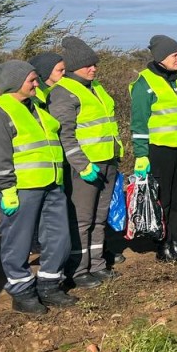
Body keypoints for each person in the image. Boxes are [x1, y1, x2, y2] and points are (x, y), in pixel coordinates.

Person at [0, 60, 76, 314]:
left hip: (52, 184)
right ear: (15, 83)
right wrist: (6, 189)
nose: (36, 83)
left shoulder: (37, 106)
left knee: (58, 236)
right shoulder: (0, 111)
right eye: (31, 80)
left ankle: (50, 285)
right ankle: (21, 291)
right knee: (17, 241)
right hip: (21, 189)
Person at [49, 36, 123, 289]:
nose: (93, 69)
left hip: (107, 162)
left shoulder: (96, 87)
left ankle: (97, 264)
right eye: (87, 65)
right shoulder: (63, 93)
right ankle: (78, 270)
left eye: (94, 64)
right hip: (85, 168)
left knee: (100, 218)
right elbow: (64, 135)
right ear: (71, 68)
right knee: (81, 220)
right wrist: (82, 165)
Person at [131, 35, 177, 262]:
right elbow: (139, 123)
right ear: (161, 58)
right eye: (175, 55)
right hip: (160, 149)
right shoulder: (145, 83)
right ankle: (162, 244)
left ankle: (175, 242)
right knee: (164, 198)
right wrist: (141, 154)